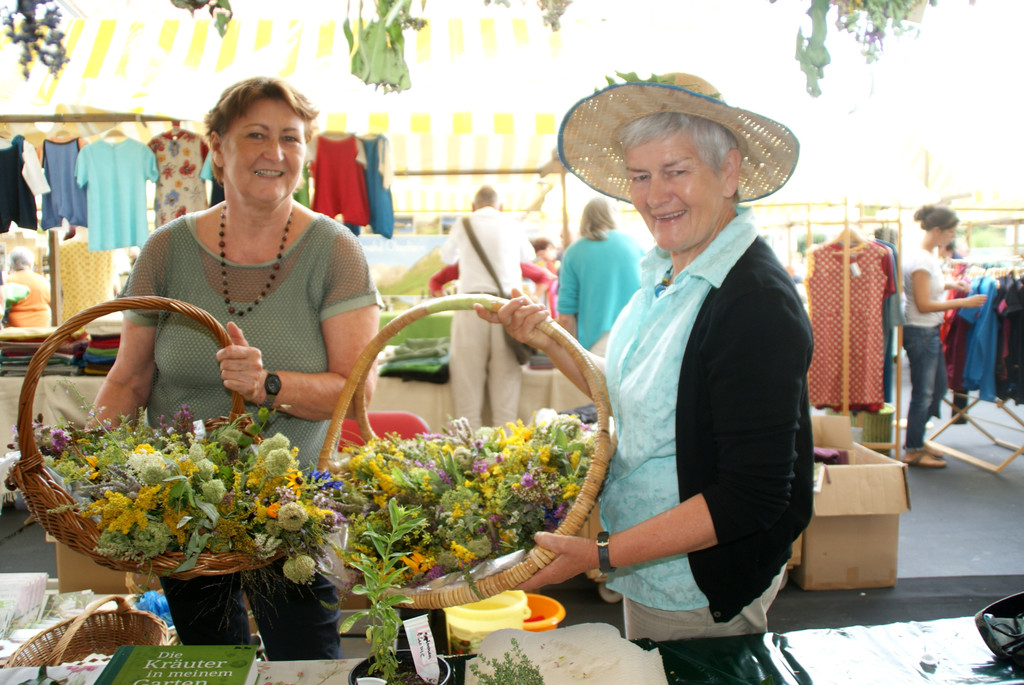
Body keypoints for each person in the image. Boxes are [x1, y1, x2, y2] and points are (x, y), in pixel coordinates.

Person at [476, 73, 813, 641]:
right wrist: (549, 337)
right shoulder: (664, 271)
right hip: (652, 571)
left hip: (698, 585)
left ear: (729, 172)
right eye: (640, 175)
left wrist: (600, 554)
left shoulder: (753, 301)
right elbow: (629, 394)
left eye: (677, 171)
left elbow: (750, 496)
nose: (656, 195)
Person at [91, 76, 381, 659]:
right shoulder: (166, 250)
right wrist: (91, 474)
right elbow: (129, 378)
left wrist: (267, 385)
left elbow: (356, 394)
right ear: (216, 149)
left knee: (304, 662)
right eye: (256, 135)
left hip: (294, 509)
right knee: (210, 661)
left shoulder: (336, 250)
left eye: (291, 139)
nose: (275, 153)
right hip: (183, 503)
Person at [440, 184, 534, 431]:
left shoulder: (464, 222)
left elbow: (447, 258)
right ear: (500, 206)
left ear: (473, 206)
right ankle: (507, 452)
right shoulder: (511, 222)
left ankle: (467, 453)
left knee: (467, 384)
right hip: (507, 306)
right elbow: (529, 256)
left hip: (471, 305)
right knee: (506, 387)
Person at [902, 205, 986, 468]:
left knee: (936, 389)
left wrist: (950, 285)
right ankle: (913, 448)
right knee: (925, 393)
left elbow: (925, 292)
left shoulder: (924, 256)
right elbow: (924, 303)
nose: (952, 237)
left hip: (925, 331)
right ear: (937, 230)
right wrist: (964, 303)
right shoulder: (922, 260)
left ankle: (916, 440)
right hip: (921, 331)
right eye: (950, 232)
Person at [556, 196, 644, 356]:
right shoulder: (636, 245)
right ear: (614, 215)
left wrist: (567, 353)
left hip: (595, 342)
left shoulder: (574, 251)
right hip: (636, 335)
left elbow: (565, 314)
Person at [5, 246, 52, 327]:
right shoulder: (42, 280)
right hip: (41, 326)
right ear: (30, 264)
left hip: (15, 329)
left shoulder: (7, 281)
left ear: (12, 265)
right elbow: (52, 303)